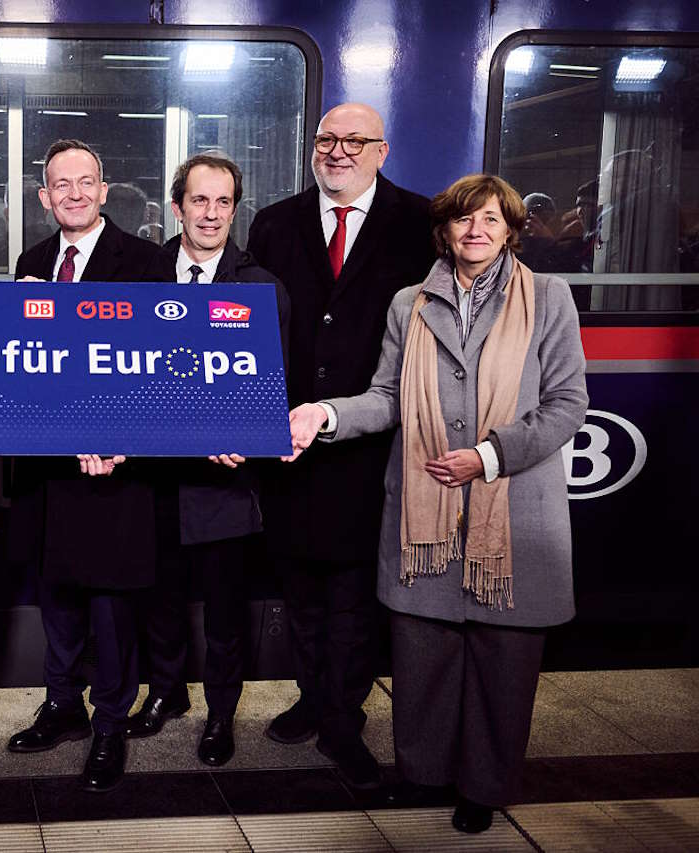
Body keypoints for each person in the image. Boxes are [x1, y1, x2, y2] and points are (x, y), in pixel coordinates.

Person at [284, 173, 587, 833]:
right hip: (425, 512)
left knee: (502, 664)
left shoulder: (550, 298)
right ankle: (422, 775)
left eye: (489, 219)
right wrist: (323, 415)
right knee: (425, 658)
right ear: (443, 230)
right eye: (461, 220)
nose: (474, 230)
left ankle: (484, 786)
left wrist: (490, 455)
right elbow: (388, 397)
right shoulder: (409, 303)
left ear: (510, 227)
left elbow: (568, 404)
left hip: (511, 511)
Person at [248, 102, 435, 789]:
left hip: (370, 438)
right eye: (327, 139)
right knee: (298, 586)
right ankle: (310, 694)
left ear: (381, 150)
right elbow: (250, 327)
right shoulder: (274, 222)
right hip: (286, 441)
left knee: (354, 595)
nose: (338, 151)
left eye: (354, 140)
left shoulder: (419, 223)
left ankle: (344, 716)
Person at [7, 138, 159, 792]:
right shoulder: (32, 261)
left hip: (113, 466)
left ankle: (110, 723)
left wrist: (120, 437)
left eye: (85, 182)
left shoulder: (147, 262)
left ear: (104, 190)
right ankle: (63, 704)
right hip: (51, 464)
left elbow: (153, 366)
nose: (73, 193)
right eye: (60, 184)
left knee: (110, 603)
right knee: (58, 592)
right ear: (44, 197)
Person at [130, 153, 290, 767]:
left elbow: (281, 386)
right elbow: (121, 375)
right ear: (177, 208)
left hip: (225, 481)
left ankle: (221, 711)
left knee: (225, 608)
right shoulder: (142, 280)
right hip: (156, 478)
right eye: (200, 201)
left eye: (224, 202)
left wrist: (248, 435)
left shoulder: (261, 287)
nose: (211, 214)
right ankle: (166, 692)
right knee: (160, 596)